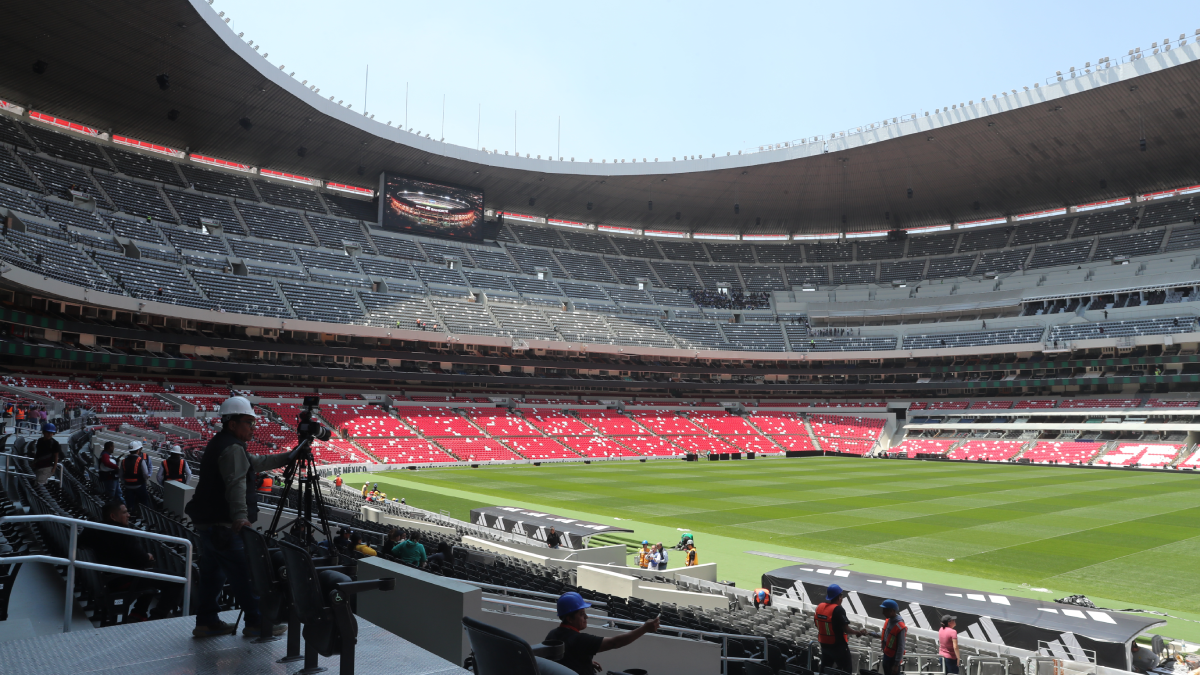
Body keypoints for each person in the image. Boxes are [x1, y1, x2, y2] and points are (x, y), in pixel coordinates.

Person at [186, 396, 303, 639]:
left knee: (211, 575)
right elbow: (236, 484)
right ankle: (257, 622)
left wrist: (289, 456)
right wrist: (240, 517)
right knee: (246, 574)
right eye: (249, 422)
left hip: (209, 524)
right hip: (225, 526)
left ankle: (206, 622)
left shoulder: (223, 444)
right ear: (232, 424)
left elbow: (256, 463)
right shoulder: (231, 448)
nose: (253, 428)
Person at [79, 501, 180, 621]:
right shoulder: (124, 533)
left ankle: (139, 613)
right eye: (125, 512)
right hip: (125, 579)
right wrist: (148, 556)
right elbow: (141, 559)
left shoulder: (92, 529)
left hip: (108, 578)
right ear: (113, 516)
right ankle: (156, 617)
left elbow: (80, 543)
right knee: (177, 580)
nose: (129, 515)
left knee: (149, 573)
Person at [545, 591, 660, 675]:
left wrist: (584, 662)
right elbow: (614, 643)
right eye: (581, 614)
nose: (586, 617)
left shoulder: (552, 634)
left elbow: (563, 661)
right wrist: (645, 628)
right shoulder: (579, 640)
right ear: (569, 619)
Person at [814, 584, 869, 673]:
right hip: (838, 646)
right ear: (839, 597)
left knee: (824, 669)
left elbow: (817, 624)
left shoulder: (819, 607)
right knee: (846, 670)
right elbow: (846, 629)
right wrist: (858, 632)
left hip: (824, 645)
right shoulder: (838, 609)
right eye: (841, 596)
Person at [121, 441, 151, 512]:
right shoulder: (140, 460)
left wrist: (125, 482)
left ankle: (131, 517)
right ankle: (144, 515)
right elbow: (145, 474)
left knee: (130, 504)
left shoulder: (124, 461)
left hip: (128, 486)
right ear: (138, 451)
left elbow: (121, 475)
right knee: (144, 503)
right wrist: (144, 480)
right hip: (139, 485)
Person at [879, 599, 907, 675]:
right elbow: (885, 635)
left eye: (885, 610)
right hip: (886, 656)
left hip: (893, 660)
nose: (883, 613)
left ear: (891, 611)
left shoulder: (900, 626)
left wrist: (896, 664)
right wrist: (870, 633)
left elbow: (901, 647)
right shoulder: (888, 620)